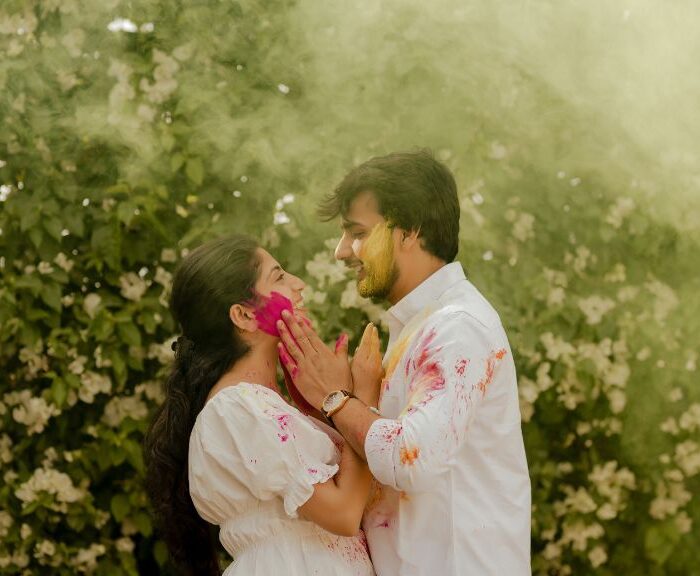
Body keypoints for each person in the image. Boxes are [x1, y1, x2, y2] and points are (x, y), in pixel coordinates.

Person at [278, 150, 531, 576]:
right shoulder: (418, 327)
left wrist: (336, 400)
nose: (342, 252)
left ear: (409, 231)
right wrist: (331, 405)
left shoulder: (457, 328)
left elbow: (408, 459)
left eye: (356, 232)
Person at [143, 235, 381, 576]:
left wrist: (329, 406)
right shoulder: (237, 408)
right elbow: (342, 514)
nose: (299, 285)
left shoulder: (260, 405)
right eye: (279, 276)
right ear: (242, 315)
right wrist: (358, 402)